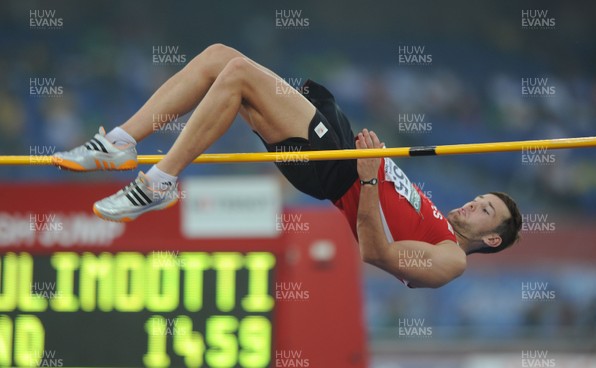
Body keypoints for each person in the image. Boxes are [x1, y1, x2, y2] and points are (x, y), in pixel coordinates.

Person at [53, 43, 522, 288]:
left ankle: (158, 181)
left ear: (493, 237)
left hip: (335, 171)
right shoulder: (437, 218)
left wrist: (368, 178)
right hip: (336, 150)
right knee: (222, 60)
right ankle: (119, 141)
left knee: (235, 72)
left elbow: (377, 254)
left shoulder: (453, 258)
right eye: (480, 198)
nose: (472, 204)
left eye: (484, 210)